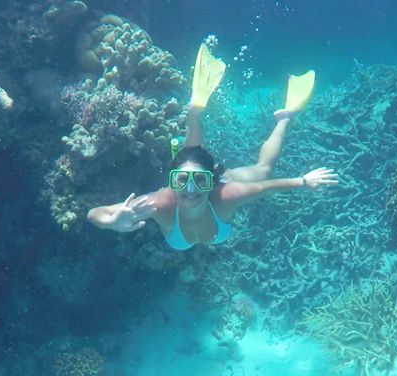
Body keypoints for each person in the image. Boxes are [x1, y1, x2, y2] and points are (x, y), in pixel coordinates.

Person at [87, 44, 338, 249]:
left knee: (262, 170)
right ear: (171, 181)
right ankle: (194, 114)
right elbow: (95, 213)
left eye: (201, 182)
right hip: (199, 171)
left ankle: (284, 118)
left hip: (220, 177)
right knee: (191, 158)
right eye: (182, 180)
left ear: (212, 182)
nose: (191, 190)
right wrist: (114, 221)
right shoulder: (160, 204)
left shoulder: (225, 196)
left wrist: (303, 182)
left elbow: (265, 186)